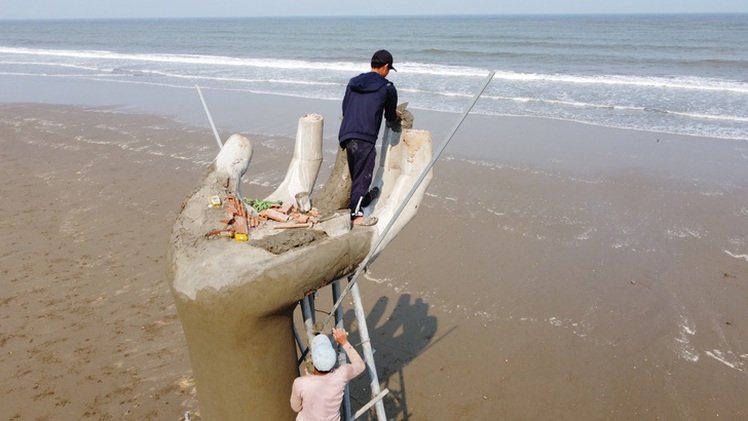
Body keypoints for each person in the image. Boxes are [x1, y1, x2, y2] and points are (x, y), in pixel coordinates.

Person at [338, 49, 401, 225]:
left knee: (357, 175)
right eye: (389, 69)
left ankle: (361, 200)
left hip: (347, 134)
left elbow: (345, 108)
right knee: (363, 176)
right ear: (386, 67)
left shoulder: (353, 82)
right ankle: (357, 217)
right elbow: (389, 116)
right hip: (365, 137)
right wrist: (396, 114)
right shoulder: (388, 88)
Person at [290, 328, 365, 421]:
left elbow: (296, 407)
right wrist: (344, 342)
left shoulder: (300, 383)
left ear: (312, 361)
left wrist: (308, 377)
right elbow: (360, 365)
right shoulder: (342, 374)